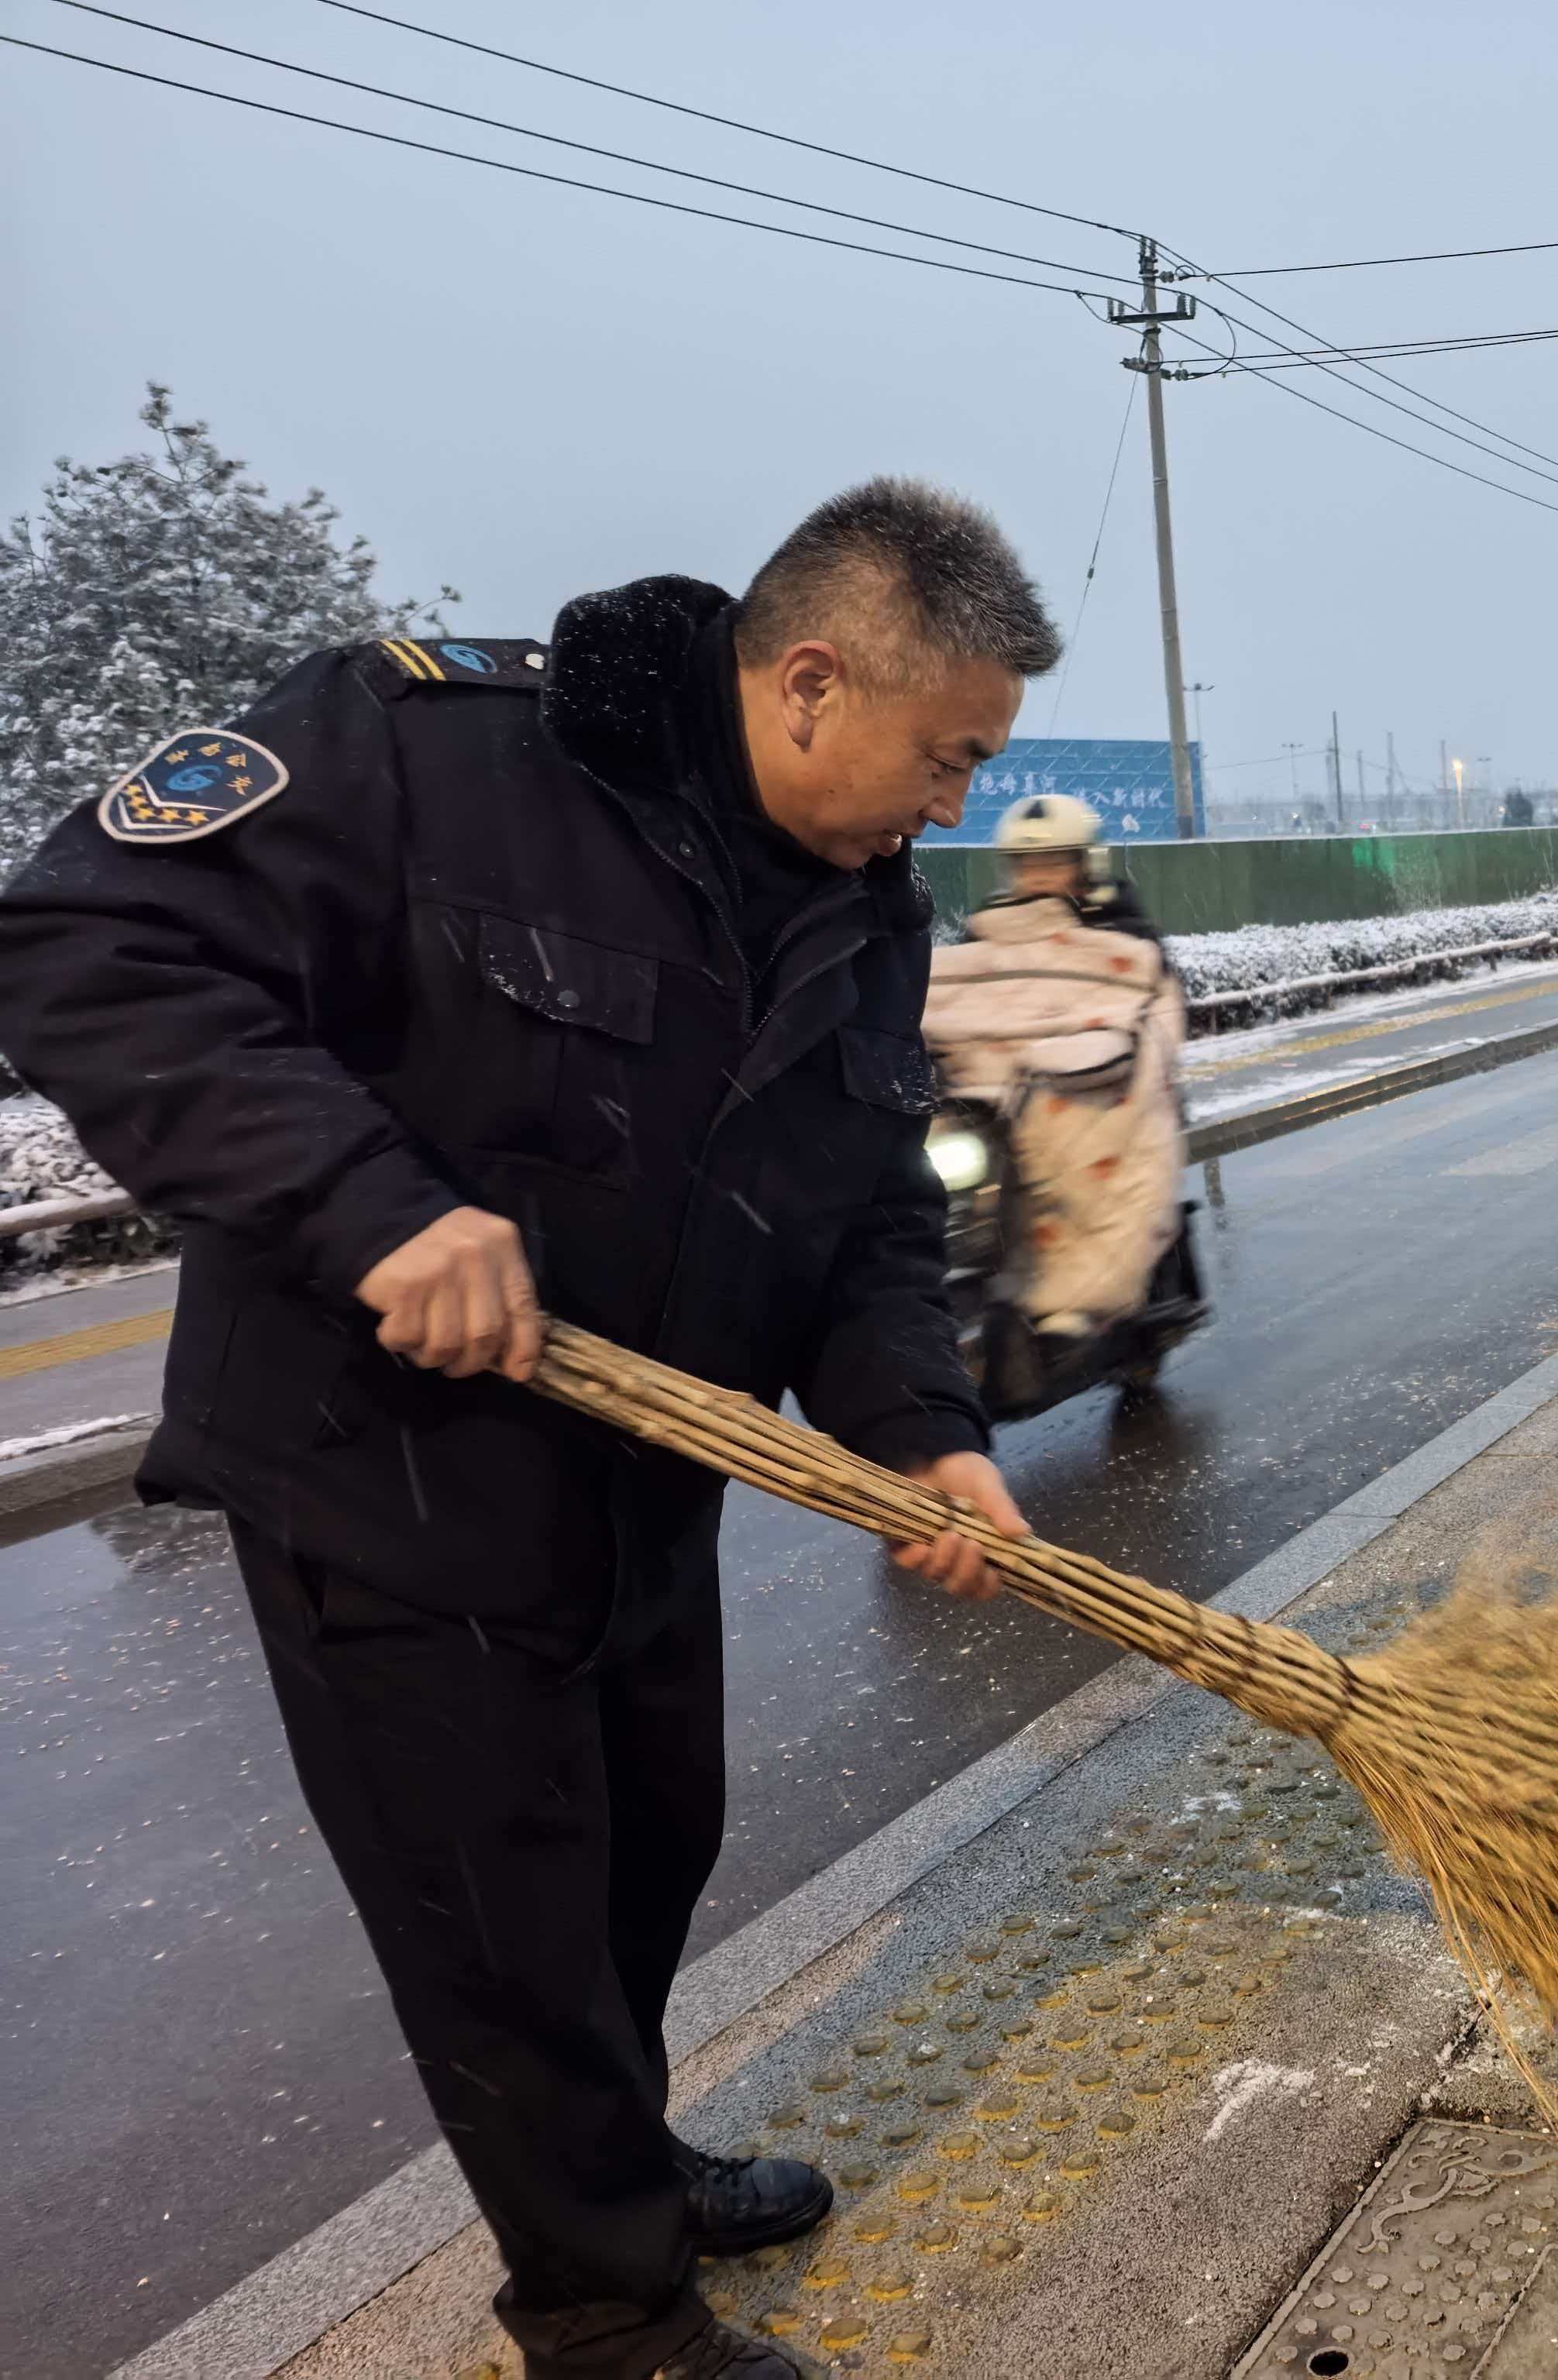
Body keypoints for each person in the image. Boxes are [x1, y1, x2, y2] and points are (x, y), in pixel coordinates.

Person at [0, 479, 1064, 2380]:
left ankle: (621, 2157)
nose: (957, 805)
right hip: (385, 1472)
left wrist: (920, 1426)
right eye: (949, 755)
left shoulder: (862, 913)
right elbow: (87, 939)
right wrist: (370, 1204)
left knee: (644, 1846)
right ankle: (608, 2307)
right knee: (499, 1909)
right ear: (813, 677)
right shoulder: (426, 754)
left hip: (642, 1468)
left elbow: (871, 1210)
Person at [921, 793, 1188, 1345]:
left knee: (1097, 1157)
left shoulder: (1125, 929)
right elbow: (967, 998)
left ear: (1085, 862)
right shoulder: (988, 932)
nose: (1039, 874)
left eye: (1054, 860)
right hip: (991, 1099)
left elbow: (1154, 1006)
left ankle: (1083, 1293)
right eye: (1027, 863)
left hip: (1092, 1089)